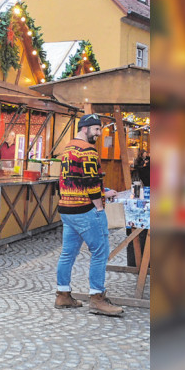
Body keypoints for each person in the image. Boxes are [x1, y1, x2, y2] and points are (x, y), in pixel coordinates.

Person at [54, 113, 123, 316]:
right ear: (85, 128)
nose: (99, 134)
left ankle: (63, 295)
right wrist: (100, 206)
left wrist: (104, 191)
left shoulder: (68, 148)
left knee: (68, 253)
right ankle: (97, 299)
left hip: (67, 208)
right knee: (100, 253)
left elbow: (73, 179)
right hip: (85, 209)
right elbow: (92, 183)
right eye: (96, 129)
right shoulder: (88, 150)